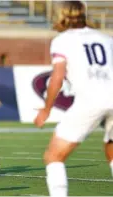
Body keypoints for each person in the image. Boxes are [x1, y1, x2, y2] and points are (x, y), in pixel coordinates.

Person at [34, 1, 113, 197]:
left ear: (61, 15)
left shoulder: (62, 40)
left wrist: (46, 109)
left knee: (54, 156)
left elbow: (57, 78)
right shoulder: (105, 38)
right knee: (111, 149)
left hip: (91, 100)